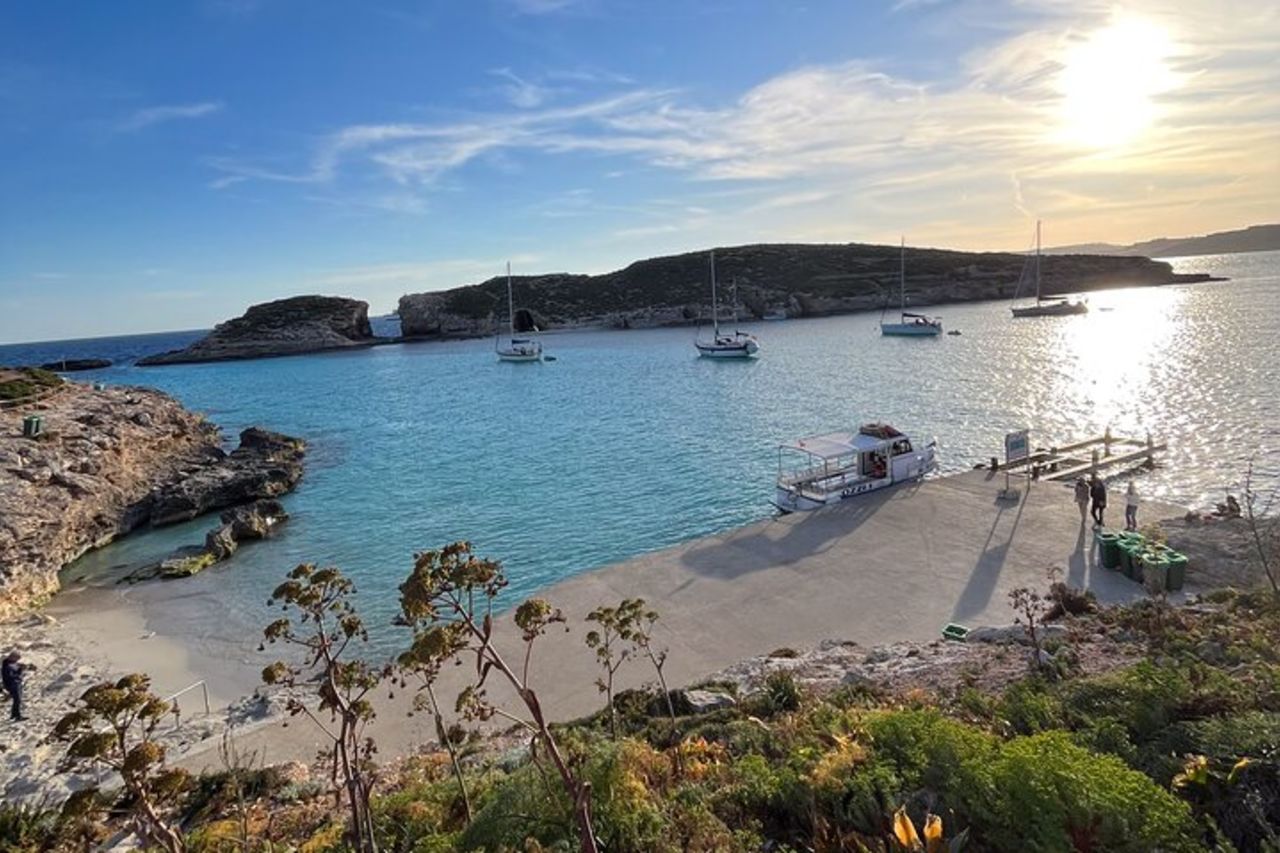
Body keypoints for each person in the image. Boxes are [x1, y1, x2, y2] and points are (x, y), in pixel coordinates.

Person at [2, 651, 32, 722]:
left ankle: (14, 715)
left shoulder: (12, 664)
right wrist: (18, 674)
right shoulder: (7, 665)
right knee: (17, 700)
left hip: (16, 683)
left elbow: (16, 672)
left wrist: (20, 669)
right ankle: (17, 716)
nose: (17, 660)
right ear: (12, 657)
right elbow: (10, 676)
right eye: (16, 658)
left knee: (17, 700)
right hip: (12, 684)